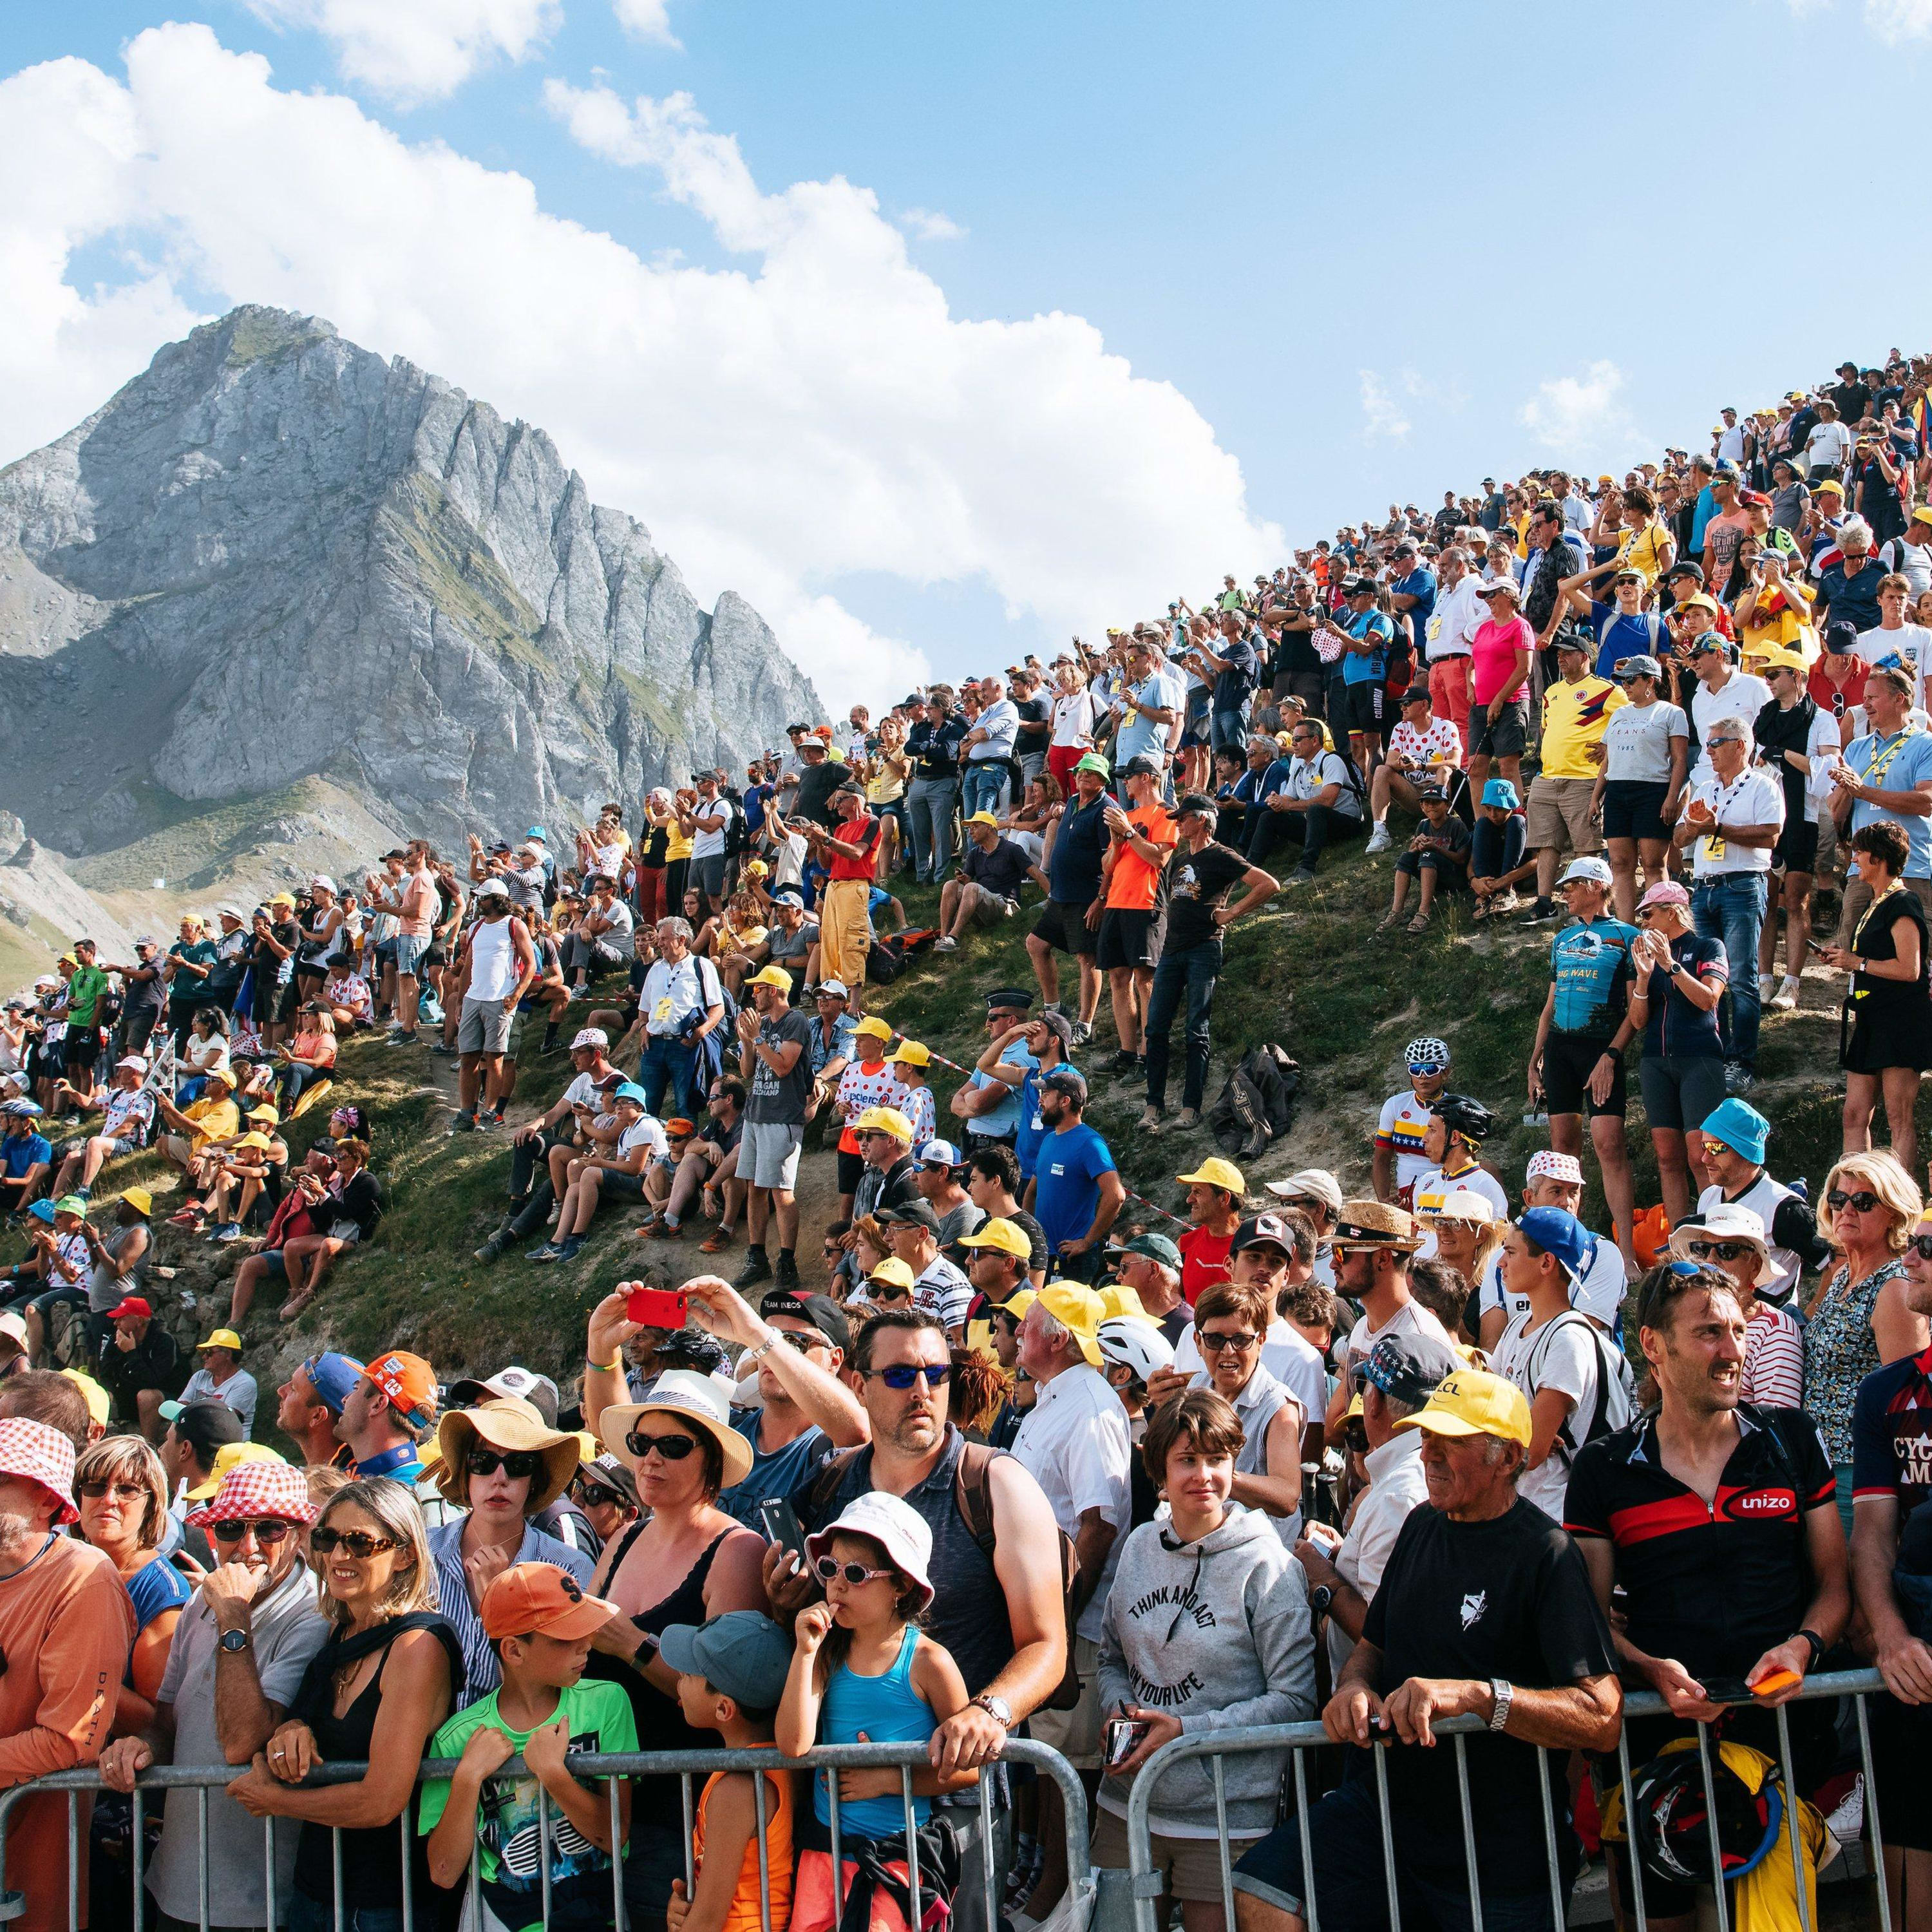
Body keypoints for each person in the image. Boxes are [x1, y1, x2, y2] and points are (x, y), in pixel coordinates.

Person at [1230, 1369, 1620, 1932]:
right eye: (1426, 1435)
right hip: (1389, 1808)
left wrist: (1480, 1698)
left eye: (1452, 1440)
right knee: (1261, 1889)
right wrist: (1355, 1687)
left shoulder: (1546, 1554)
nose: (1429, 1453)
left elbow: (1603, 1716)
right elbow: (1374, 1645)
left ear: (1508, 1458)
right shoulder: (1420, 1524)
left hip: (1500, 1848)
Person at [1567, 1262, 1848, 1932]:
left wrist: (1803, 1647)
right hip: (1653, 1743)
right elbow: (1585, 1620)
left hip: (1777, 1741)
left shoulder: (1790, 1439)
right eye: (1708, 1334)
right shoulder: (1606, 1468)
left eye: (1737, 1331)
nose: (1731, 1351)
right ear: (1653, 1346)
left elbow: (1835, 1586)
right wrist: (1646, 1668)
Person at [777, 1310, 1068, 1929]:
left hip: (952, 1807)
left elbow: (1047, 1645)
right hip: (837, 1814)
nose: (923, 1390)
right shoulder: (831, 1487)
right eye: (902, 1373)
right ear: (859, 1384)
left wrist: (985, 1712)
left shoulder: (995, 1482)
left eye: (937, 1373)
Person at [1093, 1388, 1317, 1932]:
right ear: (1159, 1471)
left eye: (1217, 1459)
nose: (1204, 1476)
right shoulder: (1140, 1547)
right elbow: (1109, 1658)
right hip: (1129, 1802)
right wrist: (1118, 1707)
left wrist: (1187, 1732)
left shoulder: (1268, 1565)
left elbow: (1295, 1699)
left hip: (1224, 1816)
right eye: (1187, 1460)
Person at [577, 1347, 768, 1929]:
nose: (651, 1459)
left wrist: (631, 1646)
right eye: (642, 1444)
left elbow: (724, 1696)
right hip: (594, 1805)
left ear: (710, 1458)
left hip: (676, 1813)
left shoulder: (737, 1550)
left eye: (674, 1446)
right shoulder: (624, 1538)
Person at [99, 1457, 329, 1932]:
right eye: (230, 1528)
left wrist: (234, 1618)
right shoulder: (199, 1607)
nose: (247, 1547)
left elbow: (242, 1743)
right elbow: (166, 1723)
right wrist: (140, 1747)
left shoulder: (313, 1613)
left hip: (257, 1899)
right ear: (212, 1535)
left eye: (269, 1529)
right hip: (176, 1883)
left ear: (299, 1534)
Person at [231, 1480, 460, 1931]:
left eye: (359, 1542)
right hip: (315, 1893)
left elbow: (382, 1799)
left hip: (387, 1906)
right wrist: (291, 1729)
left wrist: (277, 1801)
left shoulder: (418, 1646)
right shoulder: (340, 1634)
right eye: (328, 1538)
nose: (338, 1556)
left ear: (406, 1554)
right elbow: (302, 1719)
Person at [777, 1493, 976, 1931]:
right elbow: (793, 1745)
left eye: (856, 1574)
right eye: (829, 1569)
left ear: (902, 1586)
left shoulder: (929, 1661)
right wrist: (805, 1652)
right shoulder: (826, 1653)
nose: (837, 1586)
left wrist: (887, 1779)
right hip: (824, 1857)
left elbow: (967, 1770)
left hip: (896, 1860)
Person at [419, 1562, 638, 1929]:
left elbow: (614, 1835)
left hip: (598, 1912)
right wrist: (469, 1777)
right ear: (514, 1651)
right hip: (503, 1917)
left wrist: (554, 1774)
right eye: (566, 1637)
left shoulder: (607, 1702)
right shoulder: (458, 1737)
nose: (587, 1644)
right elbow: (443, 1871)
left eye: (585, 1628)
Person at [1848, 1203, 1932, 1924]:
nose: (1912, 1253)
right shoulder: (1887, 1390)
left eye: (1928, 1244)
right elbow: (1872, 1529)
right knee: (1909, 1836)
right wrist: (1889, 1633)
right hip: (1917, 1647)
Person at [1292, 1334, 1457, 1676]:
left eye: (1363, 1385)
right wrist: (1344, 1555)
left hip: (1380, 1710)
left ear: (1375, 1402)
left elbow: (1386, 1632)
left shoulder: (1397, 1496)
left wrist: (1322, 1576)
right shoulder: (1407, 1478)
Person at [427, 1397, 591, 1700]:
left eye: (518, 1465)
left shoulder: (568, 1569)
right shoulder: (421, 1554)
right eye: (483, 1462)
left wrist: (502, 1600)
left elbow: (544, 1694)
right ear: (466, 1472)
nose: (499, 1479)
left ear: (535, 1480)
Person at [1141, 795, 1276, 1133]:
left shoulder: (1221, 855)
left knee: (1195, 1030)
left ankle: (1190, 1108)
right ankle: (1153, 1105)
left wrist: (1230, 914)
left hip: (1204, 948)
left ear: (1202, 819)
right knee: (1155, 1028)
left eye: (1184, 817)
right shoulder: (1181, 858)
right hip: (1171, 951)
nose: (1179, 823)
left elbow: (1267, 884)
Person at [1489, 1209, 1633, 1524]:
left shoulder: (1568, 1339)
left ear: (1546, 1263)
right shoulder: (1517, 1327)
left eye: (1511, 1252)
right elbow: (1487, 1406)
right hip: (1522, 1507)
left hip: (1559, 1517)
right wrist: (1520, 1425)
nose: (1501, 1262)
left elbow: (1529, 1452)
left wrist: (1522, 1430)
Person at [1526, 855, 1640, 1253]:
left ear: (1595, 886)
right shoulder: (1561, 939)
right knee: (1562, 1151)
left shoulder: (1628, 936)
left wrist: (1611, 1055)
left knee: (1609, 1145)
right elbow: (1549, 1004)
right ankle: (1565, 1243)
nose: (1564, 894)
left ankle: (1625, 1251)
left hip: (1600, 1049)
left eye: (1571, 886)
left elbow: (1635, 1011)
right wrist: (1535, 1060)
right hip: (1559, 1050)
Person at [1806, 1150, 1927, 1519]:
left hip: (1860, 1472)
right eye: (1839, 1199)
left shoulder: (1893, 1287)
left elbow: (1910, 1404)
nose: (1847, 1210)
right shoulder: (1842, 1277)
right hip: (1820, 1463)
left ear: (1894, 1213)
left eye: (1863, 1201)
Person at [661, 1612, 795, 1932]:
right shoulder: (778, 1764)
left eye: (689, 1673)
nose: (678, 1676)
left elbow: (709, 1920)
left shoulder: (736, 1787)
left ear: (724, 1709)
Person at [1673, 710, 1785, 1090]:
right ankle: (1715, 1053)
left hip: (1742, 885)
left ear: (1740, 745)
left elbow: (1771, 836)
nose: (1709, 750)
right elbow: (1679, 839)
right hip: (1704, 888)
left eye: (1716, 743)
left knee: (1740, 978)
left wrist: (1718, 828)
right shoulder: (1705, 787)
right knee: (1711, 976)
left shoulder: (1763, 786)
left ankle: (1743, 1061)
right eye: (1707, 744)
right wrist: (1694, 827)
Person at [1821, 819, 1932, 1173]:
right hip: (1870, 1016)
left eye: (1859, 853)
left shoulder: (1904, 902)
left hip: (1901, 1019)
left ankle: (1902, 1204)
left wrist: (1858, 962)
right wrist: (1845, 959)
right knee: (1853, 1114)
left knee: (1899, 1116)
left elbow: (1910, 969)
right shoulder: (1875, 902)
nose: (1854, 859)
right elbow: (1870, 961)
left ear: (1879, 858)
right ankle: (1854, 1193)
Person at [1753, 646, 1841, 1009]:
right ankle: (1763, 978)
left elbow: (1829, 773)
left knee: (1796, 899)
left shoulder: (1821, 718)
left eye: (1775, 674)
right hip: (1766, 814)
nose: (1769, 681)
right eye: (1767, 675)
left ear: (1797, 676)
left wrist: (1786, 756)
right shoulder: (1765, 717)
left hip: (1803, 815)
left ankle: (1792, 983)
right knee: (1765, 900)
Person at [732, 962, 816, 1293]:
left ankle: (787, 1262)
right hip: (756, 1114)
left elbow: (783, 1068)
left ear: (777, 990)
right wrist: (746, 1042)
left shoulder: (796, 1021)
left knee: (782, 1193)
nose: (754, 992)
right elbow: (747, 1072)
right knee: (754, 1189)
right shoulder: (762, 1024)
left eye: (760, 987)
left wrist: (758, 1038)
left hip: (782, 1117)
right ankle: (757, 1257)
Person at [1666, 1204, 1803, 1404]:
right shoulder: (1682, 1320)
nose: (1711, 1260)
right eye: (1701, 1249)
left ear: (1755, 1266)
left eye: (1727, 1251)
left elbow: (1777, 1424)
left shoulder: (1774, 1331)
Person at [1095, 758, 1176, 1072]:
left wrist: (1129, 833)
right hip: (1117, 903)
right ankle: (1127, 1053)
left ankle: (1149, 1053)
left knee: (1145, 978)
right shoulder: (1127, 815)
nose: (1124, 783)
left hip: (1146, 904)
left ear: (1147, 778)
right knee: (1118, 977)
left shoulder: (1166, 812)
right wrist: (1117, 843)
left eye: (1128, 777)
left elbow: (1159, 858)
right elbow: (1107, 866)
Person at [1030, 1068, 1125, 1281]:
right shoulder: (1048, 1140)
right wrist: (1030, 1235)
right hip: (1043, 1257)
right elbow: (1032, 1193)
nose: (1040, 1101)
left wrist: (1087, 1241)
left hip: (1073, 1261)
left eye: (1046, 1095)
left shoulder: (1090, 1143)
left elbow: (1116, 1195)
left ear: (1065, 1101)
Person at [176, 1326, 258, 1435]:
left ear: (228, 1354)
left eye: (209, 1352)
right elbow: (180, 1407)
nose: (204, 1357)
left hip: (226, 1442)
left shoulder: (245, 1383)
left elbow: (224, 1420)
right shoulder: (200, 1376)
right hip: (196, 1436)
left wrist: (188, 1414)